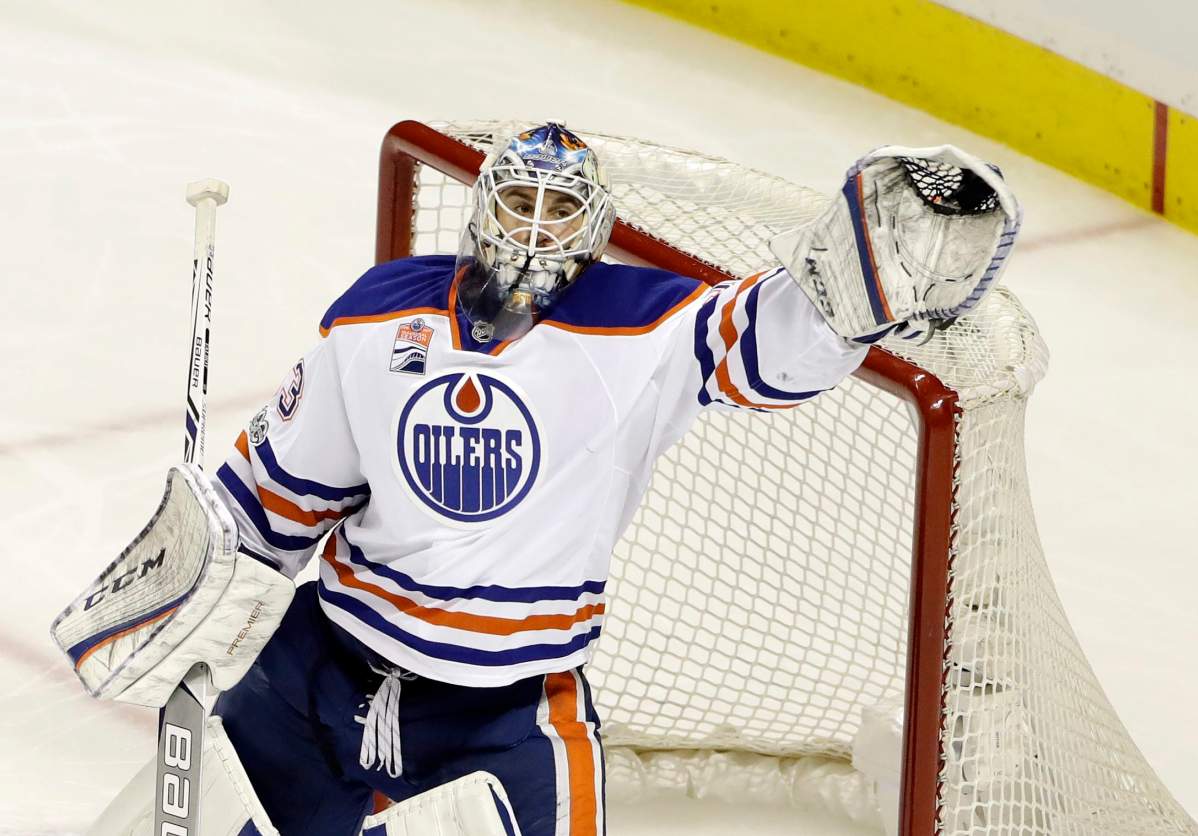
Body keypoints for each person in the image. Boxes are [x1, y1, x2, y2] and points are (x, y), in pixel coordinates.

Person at [70, 122, 1019, 836]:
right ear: (481, 205)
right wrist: (197, 571)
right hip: (318, 673)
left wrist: (841, 301)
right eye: (517, 200)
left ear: (595, 229)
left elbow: (764, 344)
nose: (532, 226)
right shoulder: (376, 317)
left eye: (559, 209)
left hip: (506, 711)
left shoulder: (647, 325)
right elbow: (277, 498)